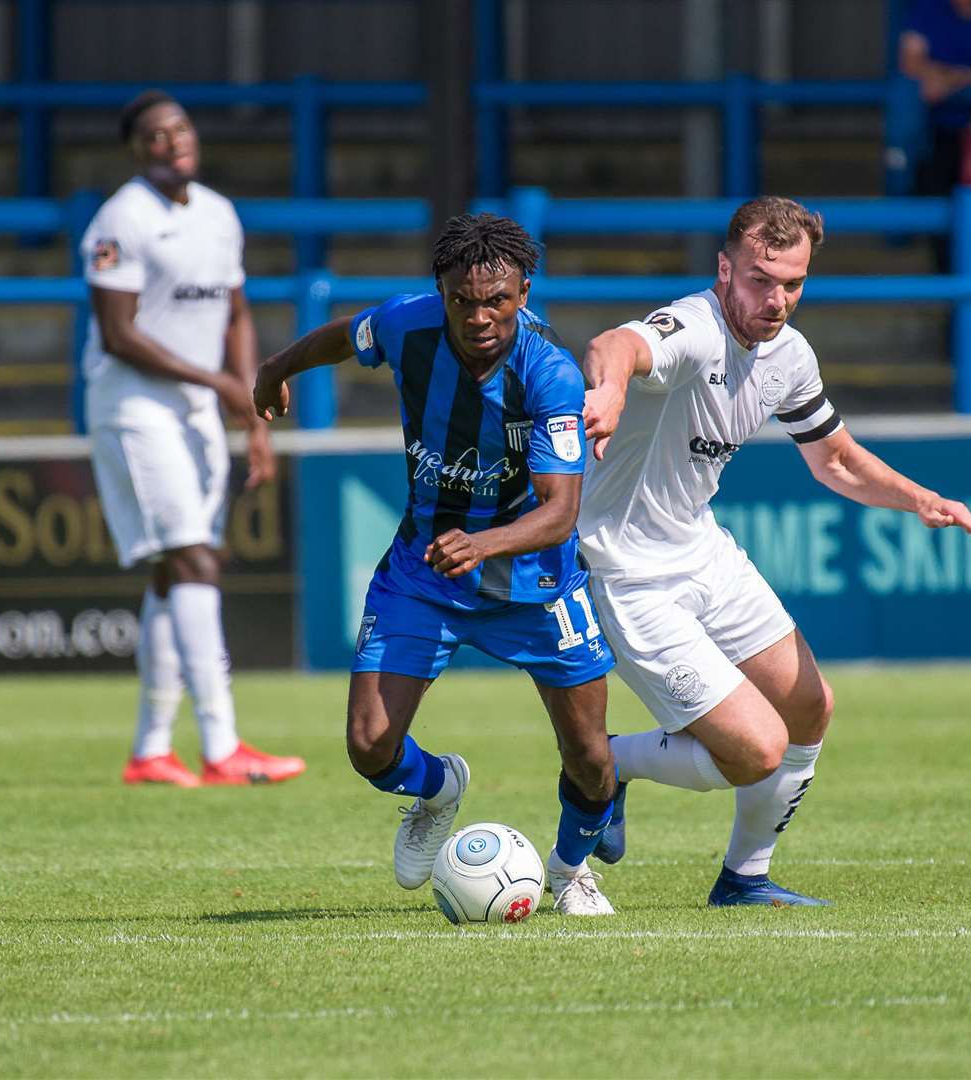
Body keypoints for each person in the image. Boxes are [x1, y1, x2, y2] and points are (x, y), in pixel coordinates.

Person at [576, 197, 971, 906]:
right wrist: (612, 390)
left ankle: (744, 879)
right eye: (760, 278)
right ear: (725, 268)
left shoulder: (790, 355)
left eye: (793, 283)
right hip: (626, 571)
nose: (776, 299)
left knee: (810, 708)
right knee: (756, 750)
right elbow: (613, 346)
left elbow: (835, 459)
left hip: (701, 549)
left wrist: (922, 498)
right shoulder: (691, 329)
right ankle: (603, 763)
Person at [251, 213, 621, 915]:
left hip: (535, 584)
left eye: (498, 301)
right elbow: (342, 336)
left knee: (593, 761)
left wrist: (482, 544)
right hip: (424, 570)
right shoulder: (406, 325)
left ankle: (572, 871)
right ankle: (435, 789)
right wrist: (274, 369)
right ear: (441, 291)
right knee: (368, 746)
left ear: (523, 292)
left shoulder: (549, 376)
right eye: (463, 300)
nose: (480, 316)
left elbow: (559, 513)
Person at [82, 90, 304, 788]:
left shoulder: (218, 214)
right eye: (154, 134)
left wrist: (250, 411)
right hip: (136, 408)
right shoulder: (120, 218)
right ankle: (222, 744)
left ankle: (150, 749)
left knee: (169, 573)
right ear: (136, 149)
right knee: (195, 559)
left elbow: (236, 315)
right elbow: (119, 335)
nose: (171, 141)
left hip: (201, 410)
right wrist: (219, 385)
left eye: (179, 128)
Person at [899, 0, 971, 274]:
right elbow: (910, 63)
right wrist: (960, 77)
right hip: (939, 135)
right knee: (942, 222)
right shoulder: (926, 9)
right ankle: (952, 307)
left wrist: (955, 78)